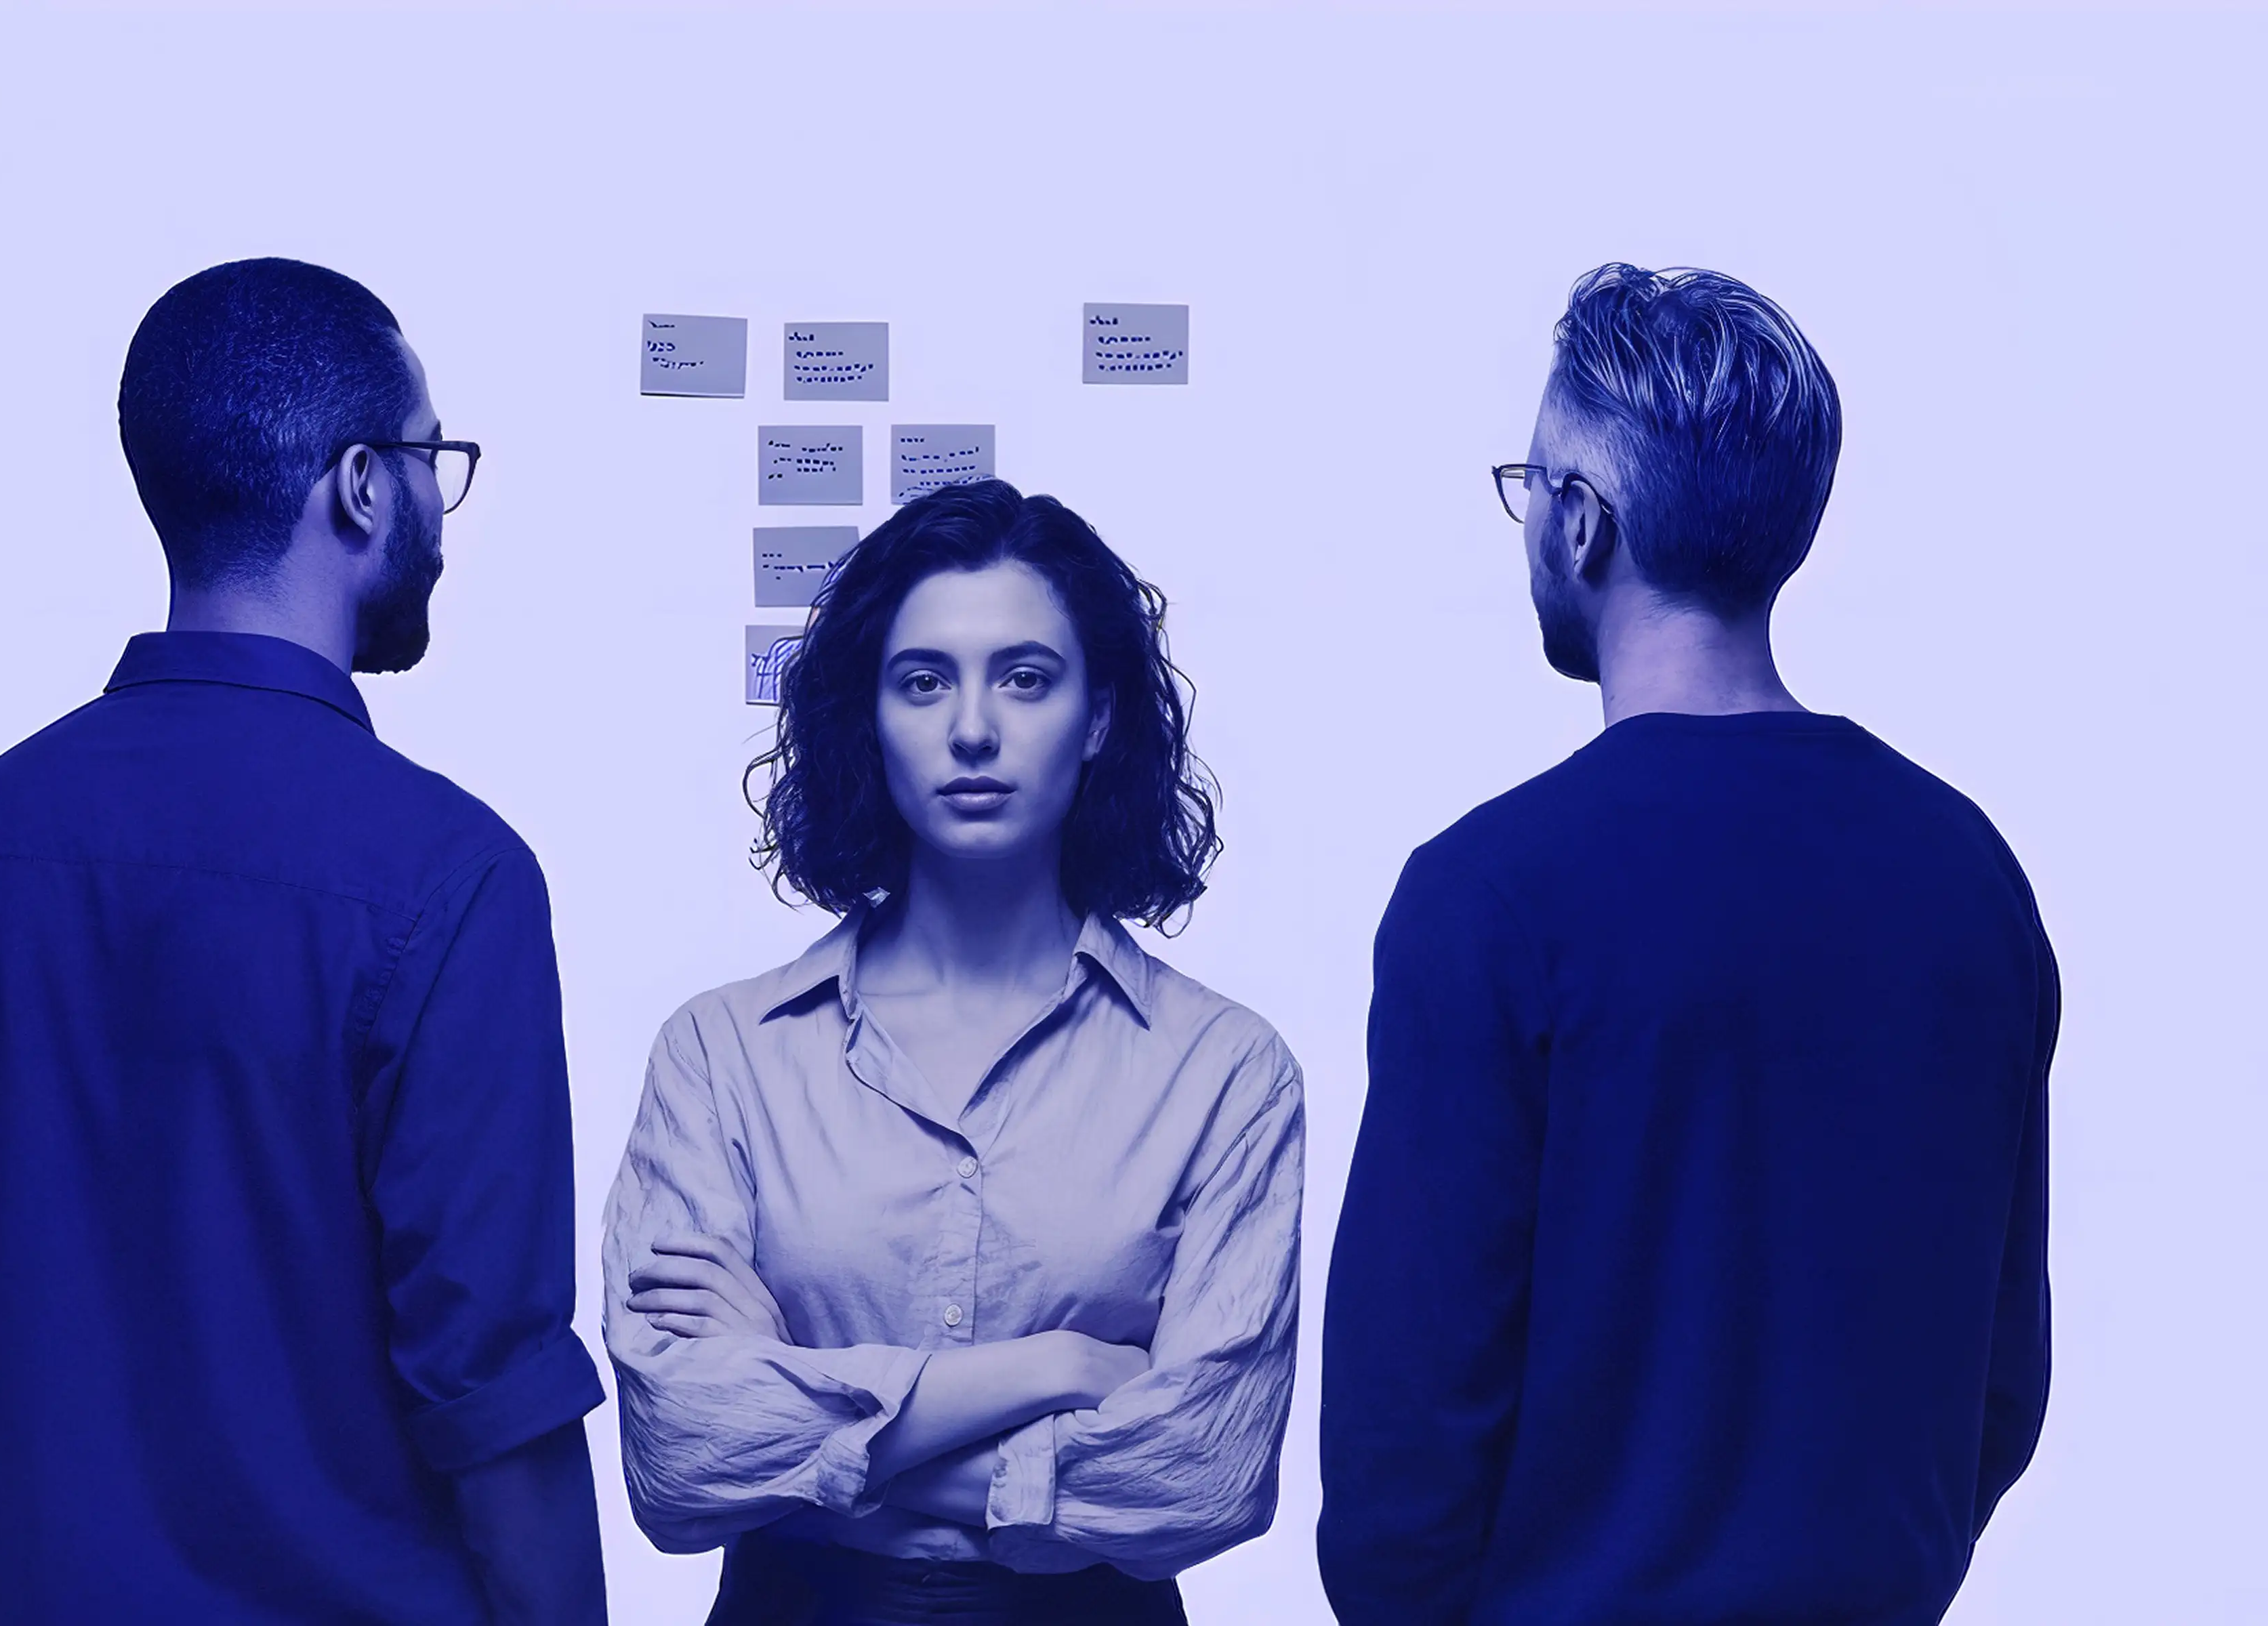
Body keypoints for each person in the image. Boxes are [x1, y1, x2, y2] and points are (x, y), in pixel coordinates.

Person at [0, 258, 607, 1624]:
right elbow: (498, 1407)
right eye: (432, 461)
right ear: (363, 487)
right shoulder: (450, 878)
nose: (441, 508)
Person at [1315, 264, 2058, 1625]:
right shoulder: (1968, 873)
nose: (1528, 519)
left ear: (1584, 527)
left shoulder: (1491, 894)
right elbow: (2000, 1386)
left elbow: (1402, 1439)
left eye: (1530, 487)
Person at [602, 481, 1304, 1625]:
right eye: (922, 681)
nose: (971, 727)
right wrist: (1058, 1372)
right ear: (867, 720)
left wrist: (807, 1428)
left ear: (1100, 718)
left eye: (1025, 678)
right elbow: (681, 1465)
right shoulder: (721, 1053)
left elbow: (1205, 1479)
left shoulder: (1225, 1068)